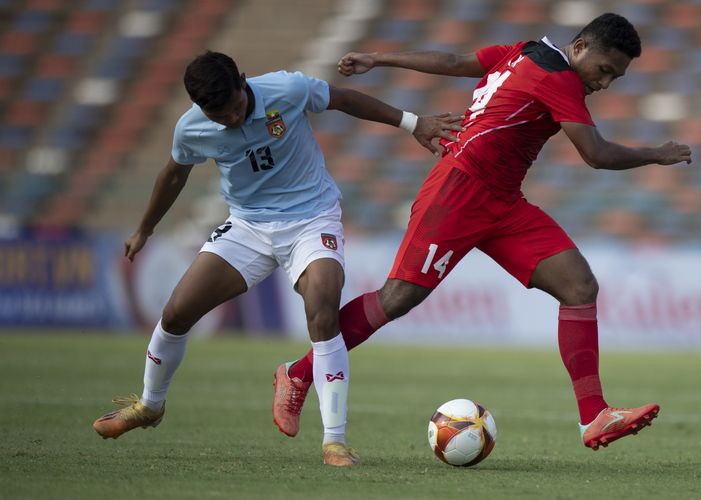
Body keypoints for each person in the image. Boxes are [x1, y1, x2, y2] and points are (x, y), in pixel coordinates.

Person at [272, 13, 692, 451]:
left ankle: (594, 416)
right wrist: (657, 155)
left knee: (579, 286)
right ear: (581, 46)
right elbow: (596, 154)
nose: (605, 83)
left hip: (503, 201)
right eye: (605, 70)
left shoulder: (524, 51)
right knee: (397, 298)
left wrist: (379, 58)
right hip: (457, 193)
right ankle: (298, 373)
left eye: (615, 78)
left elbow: (454, 61)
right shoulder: (559, 78)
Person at [91, 50, 463, 467]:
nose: (231, 120)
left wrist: (413, 123)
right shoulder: (192, 127)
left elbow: (343, 99)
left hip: (311, 218)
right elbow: (174, 174)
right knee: (176, 313)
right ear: (201, 109)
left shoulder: (287, 89)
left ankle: (334, 442)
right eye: (220, 115)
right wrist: (146, 227)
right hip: (248, 226)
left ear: (244, 82)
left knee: (322, 309)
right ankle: (150, 405)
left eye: (235, 107)